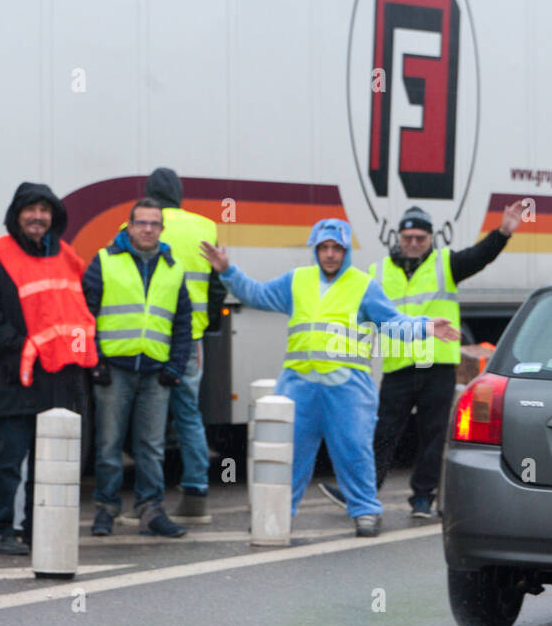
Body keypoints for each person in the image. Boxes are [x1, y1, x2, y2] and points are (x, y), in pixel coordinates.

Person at [200, 219, 459, 537]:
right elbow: (256, 295)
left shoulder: (363, 286)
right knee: (290, 454)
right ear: (316, 249)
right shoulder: (297, 281)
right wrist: (227, 271)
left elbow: (392, 322)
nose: (330, 254)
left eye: (337, 248)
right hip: (300, 384)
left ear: (346, 251)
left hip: (348, 387)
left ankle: (365, 511)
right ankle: (278, 514)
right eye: (324, 247)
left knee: (354, 450)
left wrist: (425, 327)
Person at [321, 201, 523, 519]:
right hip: (399, 367)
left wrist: (503, 232)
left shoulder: (447, 264)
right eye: (408, 237)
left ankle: (422, 499)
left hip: (437, 365)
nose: (414, 243)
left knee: (433, 435)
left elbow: (479, 256)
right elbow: (360, 313)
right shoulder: (378, 273)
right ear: (398, 238)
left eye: (420, 237)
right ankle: (362, 494)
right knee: (383, 433)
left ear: (430, 239)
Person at [0, 182, 99, 555]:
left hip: (63, 376)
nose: (38, 217)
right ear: (17, 214)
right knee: (10, 459)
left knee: (51, 460)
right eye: (30, 209)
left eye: (44, 210)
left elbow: (83, 309)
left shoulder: (68, 256)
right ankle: (0, 530)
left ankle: (39, 528)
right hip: (17, 375)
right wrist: (19, 347)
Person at [81, 197, 192, 538]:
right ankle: (105, 509)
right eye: (141, 223)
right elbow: (85, 313)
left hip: (156, 372)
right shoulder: (104, 261)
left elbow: (182, 322)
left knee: (152, 447)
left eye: (154, 224)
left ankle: (151, 510)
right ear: (129, 226)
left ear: (162, 228)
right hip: (114, 369)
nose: (147, 229)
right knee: (109, 445)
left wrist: (175, 366)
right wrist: (94, 361)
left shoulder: (173, 267)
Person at [144, 167, 222, 524]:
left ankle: (149, 501)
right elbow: (217, 287)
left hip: (149, 337)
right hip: (191, 338)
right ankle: (196, 496)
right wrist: (207, 325)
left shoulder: (136, 227)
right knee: (189, 414)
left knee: (150, 418)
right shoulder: (205, 228)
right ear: (179, 194)